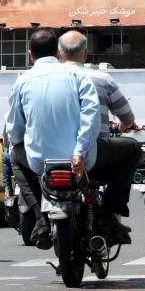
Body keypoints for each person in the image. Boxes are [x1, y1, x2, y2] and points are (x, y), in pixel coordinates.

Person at [6, 29, 100, 249]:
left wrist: (19, 140)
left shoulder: (22, 81)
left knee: (13, 156)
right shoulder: (78, 76)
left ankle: (40, 219)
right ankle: (109, 215)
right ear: (58, 52)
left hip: (39, 163)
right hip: (81, 161)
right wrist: (79, 152)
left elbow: (15, 130)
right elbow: (91, 114)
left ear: (30, 54)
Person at [58, 30, 139, 240]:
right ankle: (111, 212)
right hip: (94, 154)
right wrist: (120, 130)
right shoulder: (101, 79)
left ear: (59, 54)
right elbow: (128, 119)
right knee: (133, 149)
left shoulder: (44, 80)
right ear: (85, 54)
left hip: (53, 154)